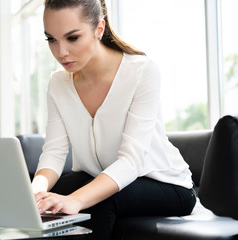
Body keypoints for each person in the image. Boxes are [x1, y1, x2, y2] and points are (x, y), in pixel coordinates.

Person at [32, 1, 196, 239]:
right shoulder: (58, 83)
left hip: (166, 185)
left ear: (99, 29)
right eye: (52, 39)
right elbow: (54, 153)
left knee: (98, 201)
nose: (61, 52)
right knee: (50, 199)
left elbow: (131, 161)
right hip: (99, 175)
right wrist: (35, 191)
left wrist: (76, 200)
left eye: (73, 38)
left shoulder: (142, 71)